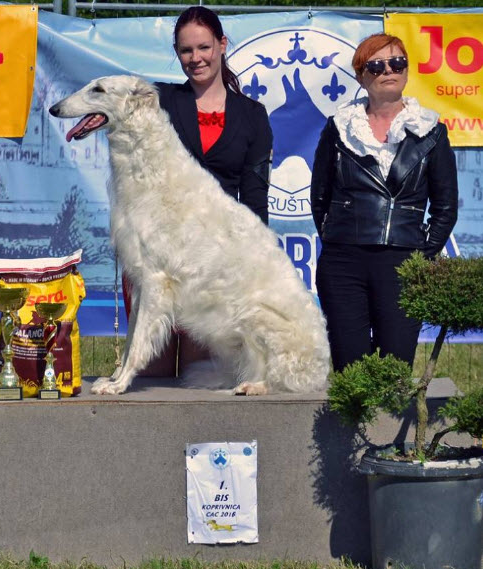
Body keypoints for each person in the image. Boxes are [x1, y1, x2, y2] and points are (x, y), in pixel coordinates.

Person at [123, 6, 273, 376]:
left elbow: (254, 200)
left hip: (211, 263)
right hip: (155, 255)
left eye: (203, 47)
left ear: (222, 45)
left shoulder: (253, 116)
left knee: (199, 376)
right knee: (150, 376)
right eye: (186, 51)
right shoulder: (160, 104)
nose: (195, 58)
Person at [310, 33, 458, 373]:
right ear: (362, 77)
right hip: (343, 263)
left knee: (395, 370)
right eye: (376, 65)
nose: (388, 70)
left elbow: (445, 207)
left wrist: (419, 256)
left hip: (403, 263)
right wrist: (340, 238)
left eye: (397, 62)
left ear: (406, 71)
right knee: (352, 370)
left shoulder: (432, 131)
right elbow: (320, 197)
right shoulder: (339, 128)